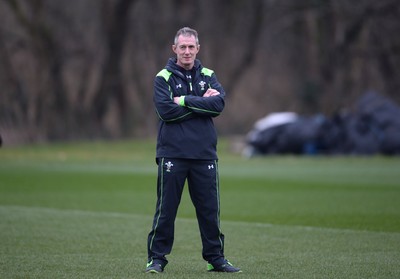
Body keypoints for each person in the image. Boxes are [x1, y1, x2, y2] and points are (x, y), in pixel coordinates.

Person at [145, 27, 241, 274]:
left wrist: (185, 100)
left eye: (191, 47)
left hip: (204, 154)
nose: (187, 51)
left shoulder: (208, 74)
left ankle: (215, 258)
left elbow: (218, 105)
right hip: (173, 154)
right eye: (182, 47)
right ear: (174, 49)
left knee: (210, 212)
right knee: (166, 211)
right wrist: (202, 102)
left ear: (198, 49)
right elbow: (165, 111)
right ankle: (156, 259)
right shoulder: (162, 77)